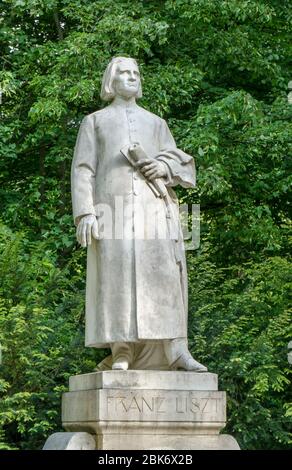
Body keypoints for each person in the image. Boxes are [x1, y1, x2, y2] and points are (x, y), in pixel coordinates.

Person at [71, 56, 207, 372]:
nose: (131, 77)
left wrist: (163, 166)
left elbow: (180, 163)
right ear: (111, 81)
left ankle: (176, 350)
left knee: (164, 277)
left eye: (135, 72)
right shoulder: (95, 122)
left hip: (156, 213)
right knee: (117, 279)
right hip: (111, 213)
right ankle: (122, 350)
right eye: (124, 72)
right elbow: (83, 169)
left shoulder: (156, 123)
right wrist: (85, 213)